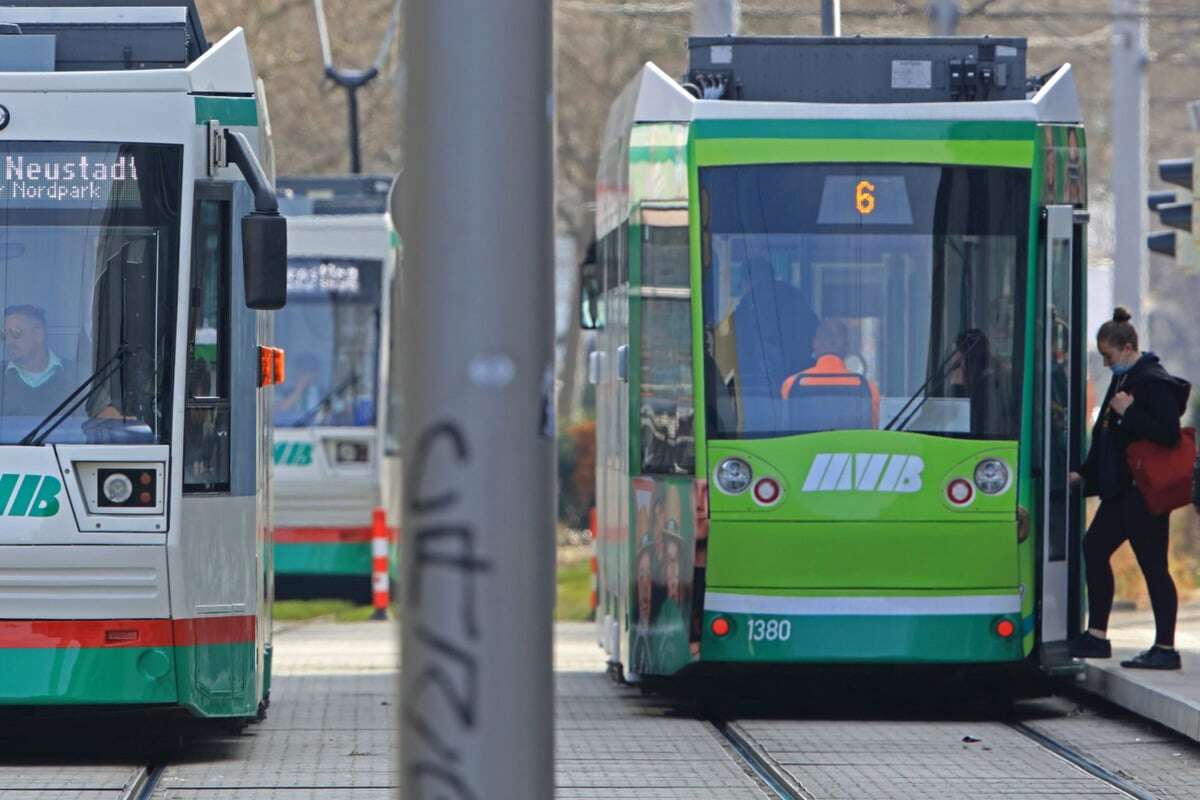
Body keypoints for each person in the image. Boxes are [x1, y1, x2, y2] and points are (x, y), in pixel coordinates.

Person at [1069, 307, 1191, 670]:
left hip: (1144, 492)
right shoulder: (1125, 380)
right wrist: (1085, 474)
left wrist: (1129, 412)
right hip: (1122, 490)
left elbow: (1168, 433)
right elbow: (1106, 435)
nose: (1107, 365)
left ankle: (1166, 648)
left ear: (1126, 348)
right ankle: (1096, 636)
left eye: (1108, 356)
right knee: (1094, 548)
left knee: (1152, 565)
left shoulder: (1152, 380)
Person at [1, 304, 120, 420]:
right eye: (5, 335)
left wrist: (123, 421)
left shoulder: (79, 376)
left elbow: (106, 415)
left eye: (15, 333)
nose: (9, 342)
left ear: (38, 334)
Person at [780, 317, 880, 426]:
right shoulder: (868, 388)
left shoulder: (791, 385)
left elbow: (787, 433)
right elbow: (870, 434)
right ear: (846, 347)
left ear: (815, 344)